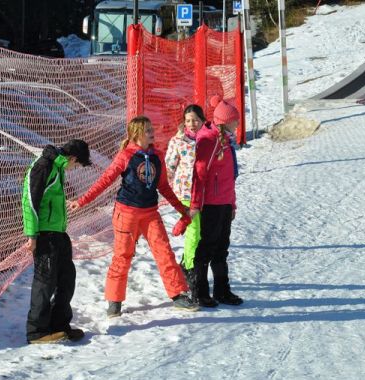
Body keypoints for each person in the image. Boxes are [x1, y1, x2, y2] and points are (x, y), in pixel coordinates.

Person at [70, 116, 198, 317]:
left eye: (151, 128)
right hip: (126, 213)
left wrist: (181, 209)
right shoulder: (125, 155)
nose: (152, 132)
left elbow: (163, 186)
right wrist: (82, 200)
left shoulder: (157, 155)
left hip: (150, 212)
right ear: (137, 134)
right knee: (123, 255)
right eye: (147, 130)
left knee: (164, 251)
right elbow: (105, 180)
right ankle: (114, 300)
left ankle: (178, 294)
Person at [21, 139, 92, 344]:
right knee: (45, 283)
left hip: (58, 233)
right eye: (76, 166)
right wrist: (32, 235)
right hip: (43, 234)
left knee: (67, 278)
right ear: (73, 158)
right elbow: (29, 201)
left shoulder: (58, 167)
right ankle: (37, 331)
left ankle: (59, 324)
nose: (73, 169)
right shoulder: (43, 166)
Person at [190, 95, 243, 307]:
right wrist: (195, 204)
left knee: (222, 247)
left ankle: (222, 290)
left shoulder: (226, 142)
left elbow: (230, 177)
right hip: (211, 203)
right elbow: (199, 174)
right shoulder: (209, 141)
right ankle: (200, 290)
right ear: (225, 121)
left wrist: (232, 204)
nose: (238, 124)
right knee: (207, 247)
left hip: (224, 202)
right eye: (235, 120)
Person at [165, 104, 206, 299]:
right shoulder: (178, 141)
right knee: (194, 231)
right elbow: (169, 166)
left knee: (201, 233)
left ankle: (186, 261)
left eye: (196, 120)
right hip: (186, 192)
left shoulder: (208, 138)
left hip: (206, 193)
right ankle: (189, 268)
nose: (192, 124)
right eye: (189, 120)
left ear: (203, 120)